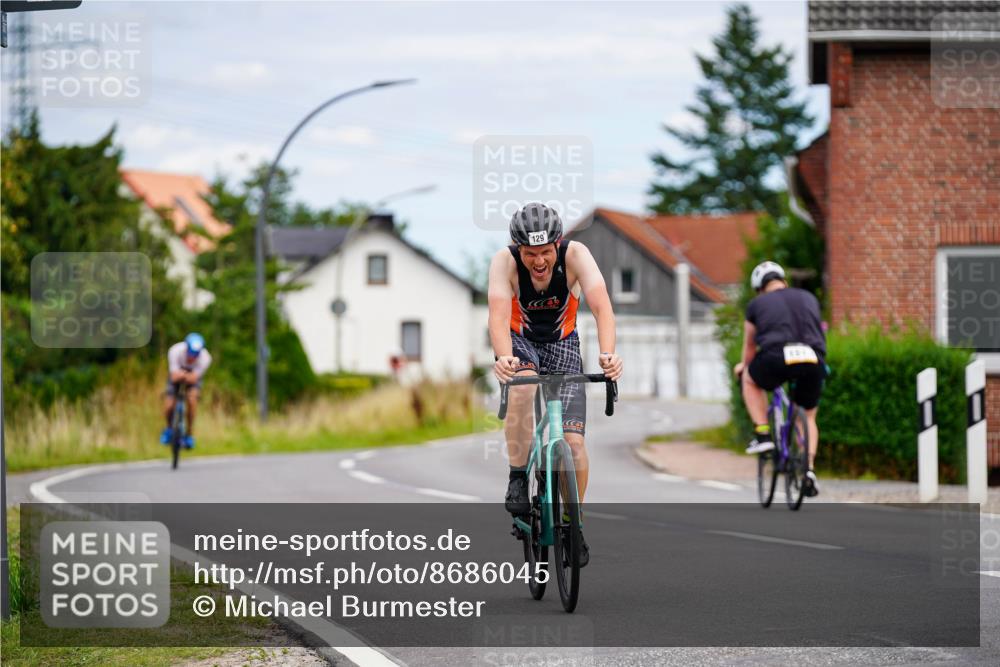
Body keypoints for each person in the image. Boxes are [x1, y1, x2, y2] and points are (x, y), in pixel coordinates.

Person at [488, 202, 623, 567]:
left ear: (558, 244)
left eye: (546, 252)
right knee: (525, 384)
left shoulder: (577, 255)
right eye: (530, 254)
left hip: (563, 343)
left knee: (575, 445)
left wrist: (609, 354)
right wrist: (503, 358)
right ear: (519, 249)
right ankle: (518, 474)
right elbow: (498, 316)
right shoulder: (504, 262)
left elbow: (602, 308)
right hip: (522, 341)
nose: (539, 261)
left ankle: (572, 523)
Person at [733, 261, 826, 497]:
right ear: (783, 281)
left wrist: (743, 367)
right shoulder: (808, 298)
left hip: (776, 356)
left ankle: (763, 433)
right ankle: (809, 469)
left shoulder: (757, 304)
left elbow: (750, 348)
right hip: (813, 357)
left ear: (759, 288)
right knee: (808, 415)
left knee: (750, 379)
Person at [161, 332, 212, 449]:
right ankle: (169, 429)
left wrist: (184, 375)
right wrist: (185, 375)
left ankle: (189, 433)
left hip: (190, 378)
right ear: (186, 347)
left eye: (196, 355)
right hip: (177, 375)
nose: (192, 357)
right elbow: (173, 376)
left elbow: (195, 378)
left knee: (192, 400)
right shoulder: (175, 351)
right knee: (169, 405)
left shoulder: (206, 358)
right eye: (191, 353)